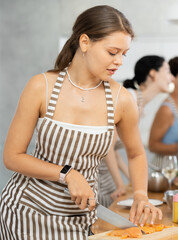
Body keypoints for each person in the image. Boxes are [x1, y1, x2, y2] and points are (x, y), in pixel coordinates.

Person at [0, 6, 161, 239]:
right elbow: (12, 157)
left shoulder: (122, 99)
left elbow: (136, 153)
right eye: (112, 52)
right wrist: (67, 173)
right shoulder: (41, 87)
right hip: (27, 212)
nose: (119, 62)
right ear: (85, 42)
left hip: (80, 218)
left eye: (123, 54)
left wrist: (140, 194)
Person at [98, 55, 173, 206]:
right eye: (167, 71)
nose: (171, 78)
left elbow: (115, 151)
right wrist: (120, 183)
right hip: (96, 174)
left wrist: (131, 181)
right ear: (153, 73)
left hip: (106, 173)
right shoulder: (128, 98)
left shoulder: (139, 105)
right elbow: (108, 149)